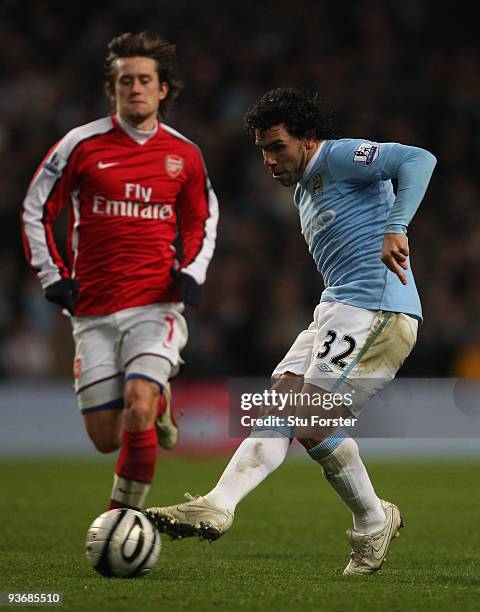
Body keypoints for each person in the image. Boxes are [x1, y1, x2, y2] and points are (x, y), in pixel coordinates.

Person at [145, 88, 436, 575]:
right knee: (281, 400)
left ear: (307, 138)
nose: (268, 160)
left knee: (312, 418)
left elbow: (419, 159)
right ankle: (219, 503)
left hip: (378, 310)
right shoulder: (304, 188)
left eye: (277, 146)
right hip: (337, 309)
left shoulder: (339, 156)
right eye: (262, 149)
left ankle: (371, 521)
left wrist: (397, 225)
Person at [21, 32, 218, 512]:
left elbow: (202, 217)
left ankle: (122, 521)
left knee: (138, 400)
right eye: (125, 80)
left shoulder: (184, 154)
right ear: (111, 89)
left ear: (163, 89)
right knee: (106, 437)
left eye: (145, 80)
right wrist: (54, 278)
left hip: (156, 303)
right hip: (91, 310)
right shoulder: (80, 145)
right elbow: (35, 208)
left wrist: (191, 272)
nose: (136, 88)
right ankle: (159, 406)